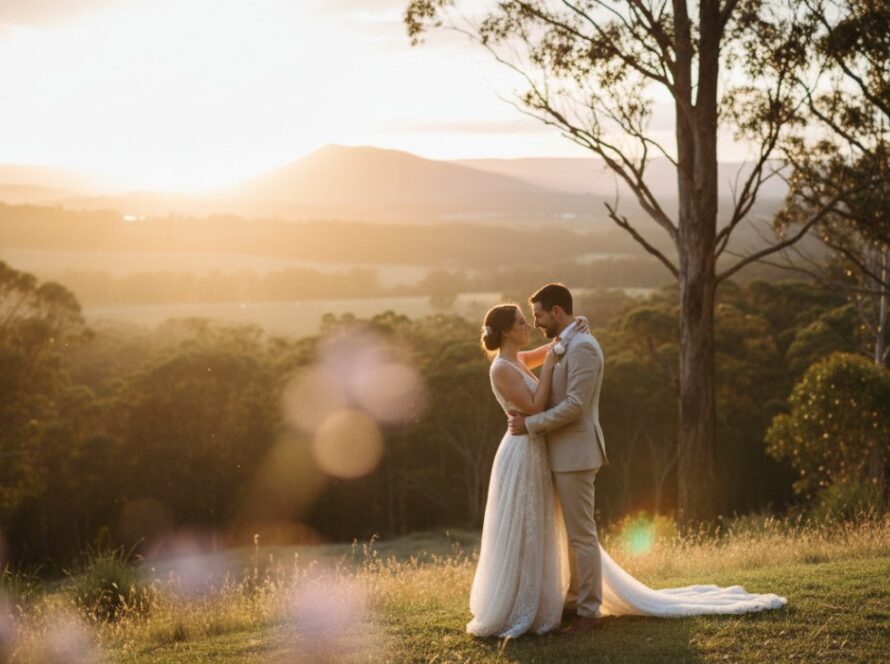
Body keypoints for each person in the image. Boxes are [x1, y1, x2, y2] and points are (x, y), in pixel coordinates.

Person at [467, 284, 787, 640]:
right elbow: (548, 368)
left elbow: (574, 406)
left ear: (557, 312)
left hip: (570, 452)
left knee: (580, 535)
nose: (534, 323)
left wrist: (531, 419)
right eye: (526, 320)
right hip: (541, 452)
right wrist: (562, 344)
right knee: (555, 533)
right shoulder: (526, 359)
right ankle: (569, 601)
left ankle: (588, 610)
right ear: (508, 331)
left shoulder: (582, 347)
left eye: (538, 316)